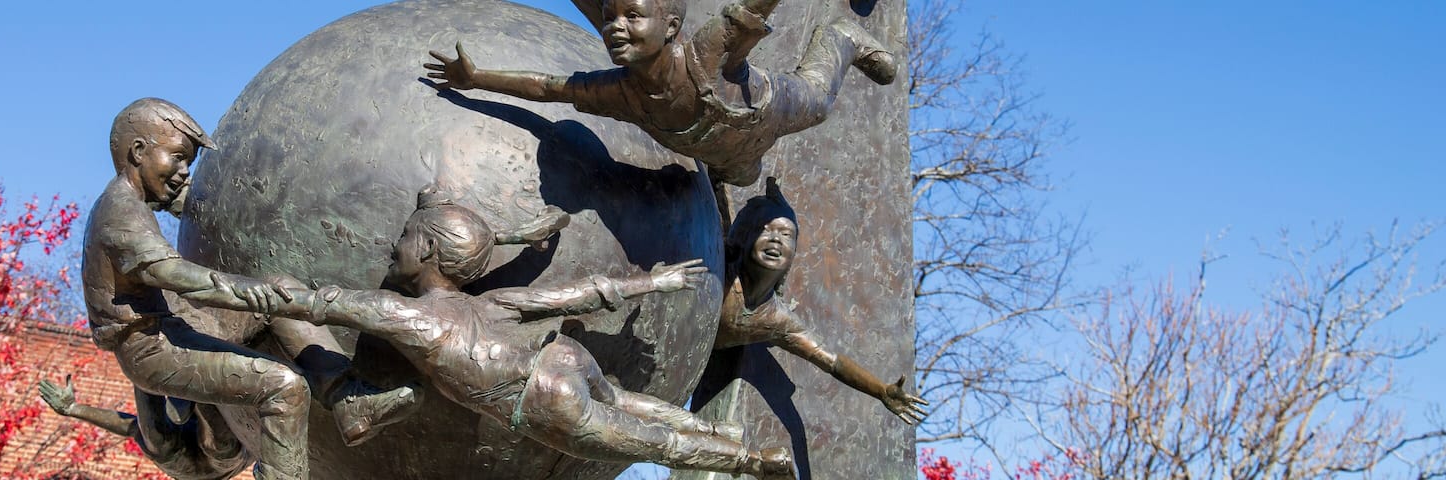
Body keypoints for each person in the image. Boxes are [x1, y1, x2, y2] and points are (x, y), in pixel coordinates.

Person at [184, 187, 797, 479]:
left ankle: (752, 460)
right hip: (562, 357)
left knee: (649, 441)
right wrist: (654, 283)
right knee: (637, 405)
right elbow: (576, 295)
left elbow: (318, 303)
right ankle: (720, 432)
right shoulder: (493, 300)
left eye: (405, 238)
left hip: (542, 400)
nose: (393, 246)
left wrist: (215, 288)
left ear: (428, 251)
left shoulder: (412, 317)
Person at [83, 98, 417, 479]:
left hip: (184, 328)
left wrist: (194, 205)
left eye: (187, 163)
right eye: (176, 158)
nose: (183, 172)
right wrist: (242, 290)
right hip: (154, 349)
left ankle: (346, 397)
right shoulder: (120, 213)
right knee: (284, 388)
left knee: (279, 291)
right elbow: (176, 275)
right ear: (139, 151)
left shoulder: (133, 205)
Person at [424, 0, 898, 188]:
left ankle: (841, 38)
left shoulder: (706, 51)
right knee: (742, 178)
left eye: (632, 16)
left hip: (771, 111)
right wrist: (476, 77)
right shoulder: (617, 92)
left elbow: (754, 5)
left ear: (670, 26)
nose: (615, 27)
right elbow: (547, 88)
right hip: (731, 155)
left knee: (820, 104)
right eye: (609, 18)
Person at [714, 179, 927, 425]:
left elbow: (832, 361)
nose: (776, 239)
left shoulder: (776, 319)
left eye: (786, 234)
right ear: (745, 236)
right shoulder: (718, 273)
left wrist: (880, 390)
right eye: (766, 230)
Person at [39, 377, 253, 480]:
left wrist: (74, 408)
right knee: (222, 449)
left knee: (157, 440)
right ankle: (197, 393)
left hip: (186, 463)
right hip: (224, 457)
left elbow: (132, 427)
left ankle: (143, 366)